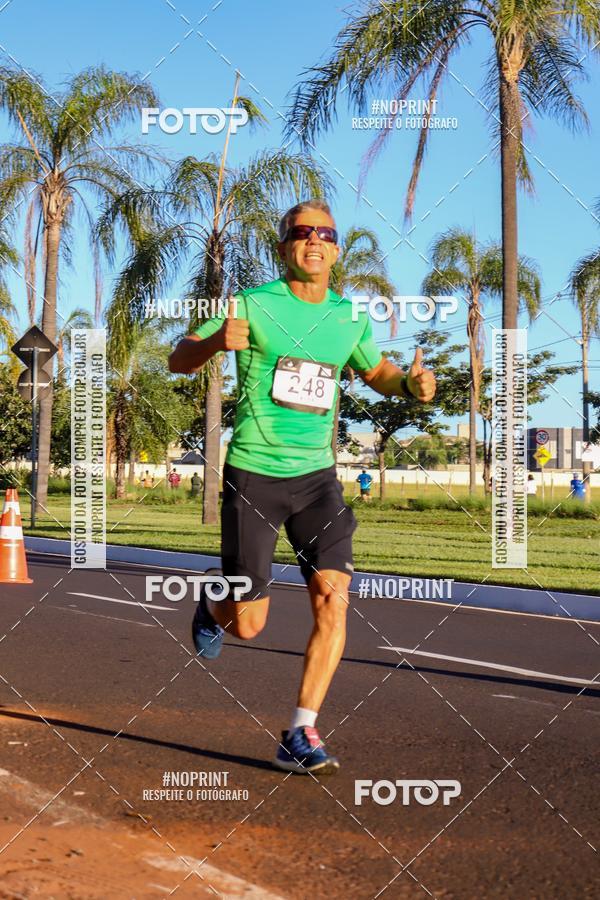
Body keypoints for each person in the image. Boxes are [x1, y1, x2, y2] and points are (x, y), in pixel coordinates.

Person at [169, 199, 436, 775]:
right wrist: (214, 343)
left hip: (318, 480)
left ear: (336, 250)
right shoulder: (251, 304)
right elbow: (178, 359)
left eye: (325, 234)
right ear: (283, 246)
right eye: (302, 232)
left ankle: (300, 731)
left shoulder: (349, 316)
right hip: (255, 475)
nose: (314, 240)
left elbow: (376, 371)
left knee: (334, 601)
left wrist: (411, 385)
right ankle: (214, 606)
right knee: (250, 624)